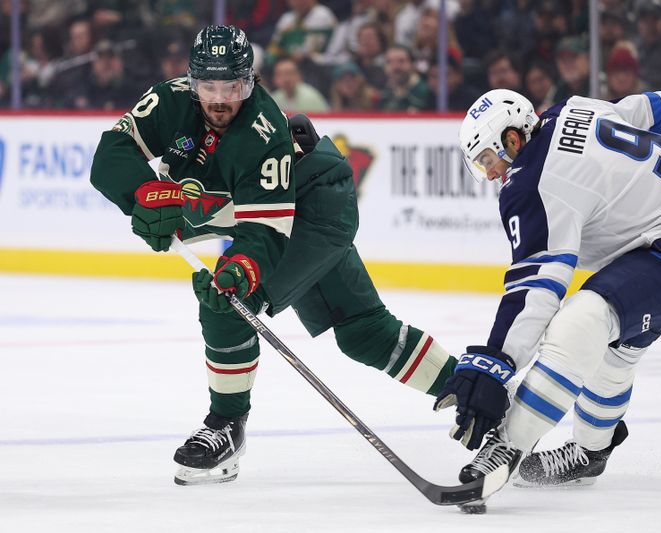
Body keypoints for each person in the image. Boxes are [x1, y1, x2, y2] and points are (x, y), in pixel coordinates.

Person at [90, 25, 456, 486]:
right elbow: (111, 153)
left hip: (314, 214)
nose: (220, 99)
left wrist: (240, 271)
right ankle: (473, 391)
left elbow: (263, 232)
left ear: (251, 82)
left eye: (233, 87)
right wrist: (142, 192)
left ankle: (226, 425)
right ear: (191, 81)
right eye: (209, 87)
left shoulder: (262, 132)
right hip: (287, 216)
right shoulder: (168, 101)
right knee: (365, 333)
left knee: (225, 302)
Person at [435, 88, 661, 506]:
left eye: (488, 160)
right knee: (616, 350)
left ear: (512, 140)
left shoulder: (531, 184)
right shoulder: (575, 109)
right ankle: (590, 453)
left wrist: (496, 363)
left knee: (582, 323)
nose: (489, 174)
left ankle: (507, 446)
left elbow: (538, 286)